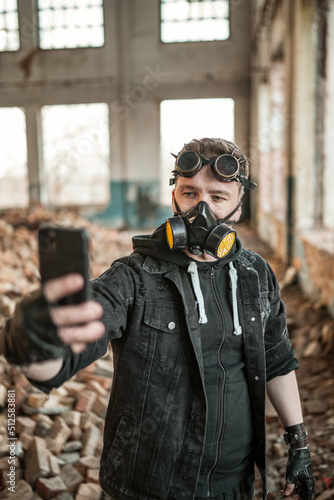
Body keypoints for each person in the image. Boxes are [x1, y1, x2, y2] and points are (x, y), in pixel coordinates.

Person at [0, 138, 315, 500]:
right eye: (190, 193)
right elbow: (69, 349)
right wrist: (32, 341)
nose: (202, 209)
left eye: (217, 197)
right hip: (146, 487)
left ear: (238, 208)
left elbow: (276, 361)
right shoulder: (133, 277)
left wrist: (300, 445)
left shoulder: (255, 275)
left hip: (233, 484)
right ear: (174, 198)